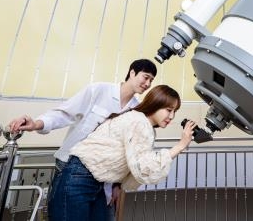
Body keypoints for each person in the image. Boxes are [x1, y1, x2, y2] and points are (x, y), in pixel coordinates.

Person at [8, 58, 157, 216]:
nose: (147, 84)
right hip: (72, 167)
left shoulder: (137, 110)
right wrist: (36, 124)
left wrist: (116, 186)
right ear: (132, 72)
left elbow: (124, 150)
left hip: (104, 178)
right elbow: (64, 114)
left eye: (151, 80)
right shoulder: (98, 90)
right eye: (145, 77)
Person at [49, 84, 196, 220]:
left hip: (93, 181)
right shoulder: (138, 121)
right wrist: (180, 146)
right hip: (79, 177)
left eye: (174, 112)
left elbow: (134, 164)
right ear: (155, 104)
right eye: (169, 110)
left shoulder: (141, 123)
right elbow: (143, 167)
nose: (171, 117)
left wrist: (117, 186)